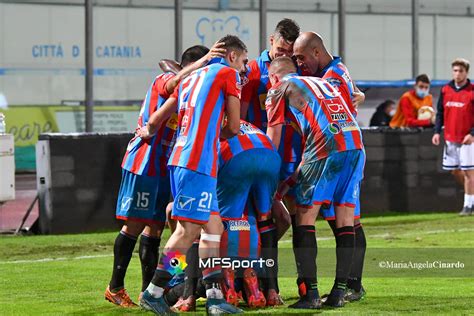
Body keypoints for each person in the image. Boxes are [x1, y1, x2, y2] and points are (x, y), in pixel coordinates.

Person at [104, 44, 224, 307]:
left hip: (170, 167)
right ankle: (118, 287)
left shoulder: (191, 91)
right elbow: (159, 113)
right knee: (139, 224)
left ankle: (152, 290)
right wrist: (203, 61)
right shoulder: (167, 81)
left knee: (161, 229)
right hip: (145, 162)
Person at [137, 34, 247, 315]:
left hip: (181, 159)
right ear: (232, 56)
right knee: (187, 232)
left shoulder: (190, 78)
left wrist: (148, 129)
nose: (244, 69)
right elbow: (234, 128)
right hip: (198, 162)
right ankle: (154, 291)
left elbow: (155, 118)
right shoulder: (228, 74)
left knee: (213, 228)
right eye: (244, 61)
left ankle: (214, 298)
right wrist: (212, 136)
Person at [266, 57, 365, 309]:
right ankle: (339, 293)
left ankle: (310, 294)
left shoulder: (278, 88)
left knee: (304, 218)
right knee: (345, 221)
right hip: (355, 143)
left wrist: (269, 178)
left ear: (274, 76)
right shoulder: (322, 83)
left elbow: (273, 137)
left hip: (326, 145)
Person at [291, 31, 367, 303]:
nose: (299, 64)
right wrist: (359, 95)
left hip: (333, 150)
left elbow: (336, 116)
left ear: (316, 52)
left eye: (301, 58)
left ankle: (346, 287)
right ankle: (347, 287)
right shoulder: (338, 69)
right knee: (347, 220)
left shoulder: (329, 78)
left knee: (341, 221)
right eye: (294, 59)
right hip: (348, 149)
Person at [241, 18, 300, 131]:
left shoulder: (301, 68)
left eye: (289, 51)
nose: (284, 56)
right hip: (263, 143)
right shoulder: (252, 69)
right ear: (272, 40)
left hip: (296, 146)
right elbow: (241, 116)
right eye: (280, 49)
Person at [432, 58, 474, 216]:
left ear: (466, 72)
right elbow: (440, 113)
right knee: (455, 170)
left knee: (469, 171)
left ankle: (468, 205)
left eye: (460, 71)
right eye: (455, 70)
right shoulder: (445, 90)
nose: (457, 74)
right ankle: (472, 196)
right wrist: (437, 132)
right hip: (450, 137)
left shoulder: (472, 91)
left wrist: (472, 134)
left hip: (467, 139)